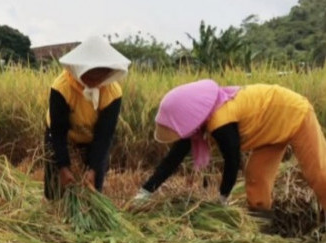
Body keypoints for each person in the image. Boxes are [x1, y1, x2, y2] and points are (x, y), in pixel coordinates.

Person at [134, 79, 326, 213]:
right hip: (270, 131)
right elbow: (173, 160)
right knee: (256, 178)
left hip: (294, 113)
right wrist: (145, 191)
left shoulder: (220, 120)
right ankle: (263, 231)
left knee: (319, 173)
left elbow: (233, 160)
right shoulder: (198, 123)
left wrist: (223, 198)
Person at [44, 35, 130, 200]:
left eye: (100, 76)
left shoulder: (113, 93)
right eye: (90, 76)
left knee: (92, 190)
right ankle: (54, 214)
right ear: (79, 70)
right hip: (63, 137)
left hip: (92, 139)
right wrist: (63, 167)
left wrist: (93, 169)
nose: (95, 81)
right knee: (55, 189)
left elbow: (104, 135)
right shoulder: (61, 88)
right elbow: (58, 131)